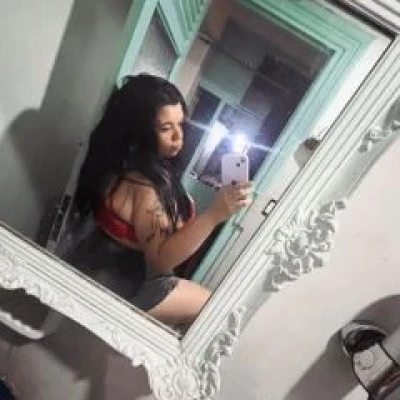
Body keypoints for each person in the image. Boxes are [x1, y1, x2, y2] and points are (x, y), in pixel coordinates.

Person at [61, 74, 252, 327]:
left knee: (216, 311)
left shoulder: (151, 169)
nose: (178, 136)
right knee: (220, 314)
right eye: (165, 128)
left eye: (180, 124)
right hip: (112, 290)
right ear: (140, 130)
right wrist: (215, 214)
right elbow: (161, 259)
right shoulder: (142, 184)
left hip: (120, 280)